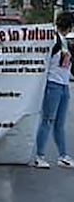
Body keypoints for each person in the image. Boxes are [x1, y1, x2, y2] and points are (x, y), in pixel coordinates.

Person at [34, 12, 74, 169]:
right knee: (48, 120)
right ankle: (39, 155)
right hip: (53, 84)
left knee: (59, 123)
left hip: (63, 84)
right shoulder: (53, 41)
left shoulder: (65, 42)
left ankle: (63, 155)